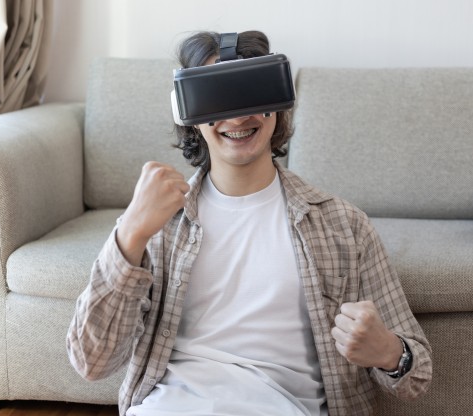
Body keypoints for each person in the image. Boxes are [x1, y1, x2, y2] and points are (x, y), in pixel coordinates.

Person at [67, 30, 432, 416]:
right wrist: (130, 233)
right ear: (187, 113)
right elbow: (93, 363)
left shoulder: (344, 226)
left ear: (278, 103)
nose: (239, 116)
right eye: (217, 97)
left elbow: (418, 374)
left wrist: (388, 352)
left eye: (251, 93)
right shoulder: (155, 224)